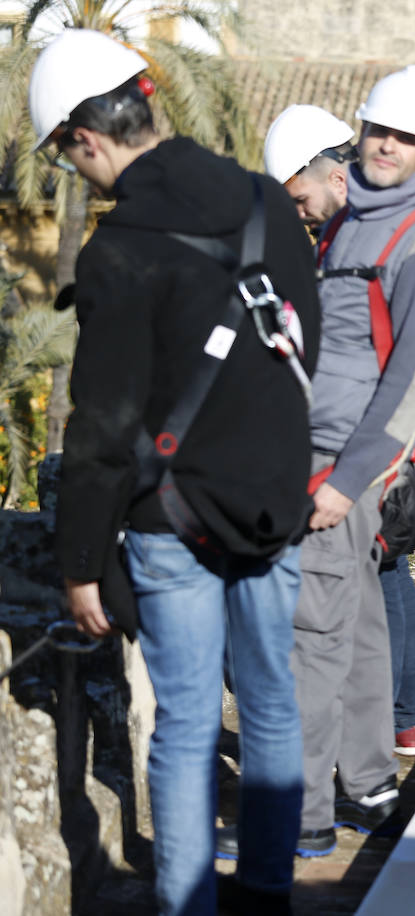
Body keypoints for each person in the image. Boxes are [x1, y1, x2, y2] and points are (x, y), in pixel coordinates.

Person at [31, 28, 321, 916]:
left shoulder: (119, 253)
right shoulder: (270, 202)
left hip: (172, 519)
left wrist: (82, 564)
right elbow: (303, 341)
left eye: (67, 158)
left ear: (87, 140)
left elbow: (104, 427)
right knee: (272, 703)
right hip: (275, 500)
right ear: (150, 100)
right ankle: (268, 892)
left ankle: (190, 905)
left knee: (189, 724)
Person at [218, 65, 415, 859]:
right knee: (355, 626)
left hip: (341, 467)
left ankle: (296, 819)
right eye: (379, 130)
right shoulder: (348, 226)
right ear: (357, 135)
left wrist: (345, 481)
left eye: (408, 138)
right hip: (318, 455)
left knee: (305, 639)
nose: (388, 146)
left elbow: (413, 379)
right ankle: (366, 787)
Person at [261, 102, 415, 757]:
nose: (297, 213)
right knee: (387, 568)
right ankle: (404, 720)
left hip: (378, 431)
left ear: (335, 179)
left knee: (374, 571)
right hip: (388, 428)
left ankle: (373, 729)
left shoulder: (376, 234)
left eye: (299, 197)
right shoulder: (345, 236)